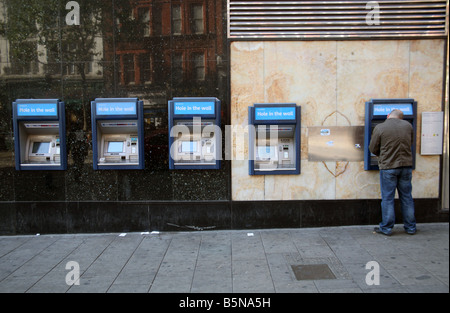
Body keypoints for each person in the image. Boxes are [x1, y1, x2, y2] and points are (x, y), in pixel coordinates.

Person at [369, 109, 416, 236]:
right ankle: (410, 227)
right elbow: (410, 143)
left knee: (388, 198)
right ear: (401, 117)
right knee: (407, 197)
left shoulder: (380, 127)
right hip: (406, 166)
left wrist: (382, 155)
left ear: (388, 115)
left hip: (389, 167)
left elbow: (372, 148)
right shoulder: (408, 126)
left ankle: (387, 227)